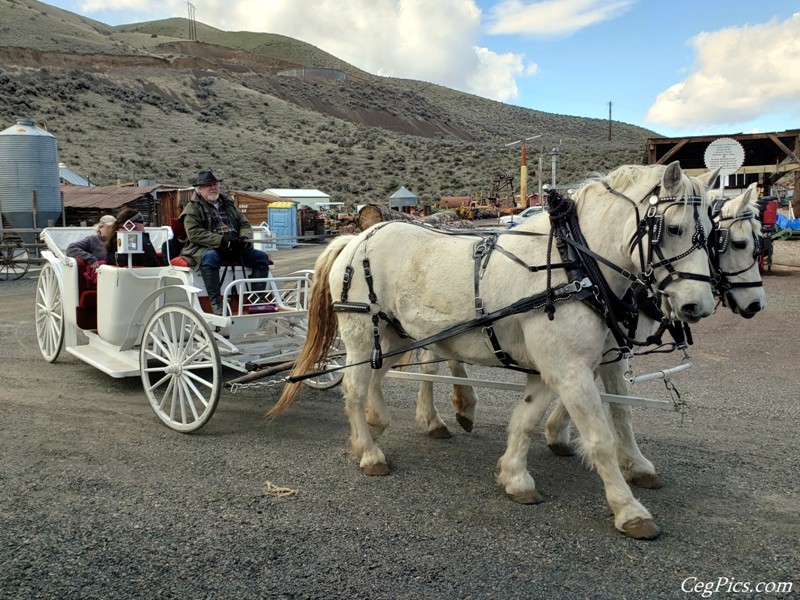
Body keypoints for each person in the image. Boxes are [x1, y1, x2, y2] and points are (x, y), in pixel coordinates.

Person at [180, 170, 269, 315]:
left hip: (233, 247)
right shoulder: (192, 208)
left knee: (261, 257)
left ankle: (258, 299)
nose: (213, 188)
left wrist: (243, 238)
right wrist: (222, 240)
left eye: (215, 184)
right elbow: (195, 233)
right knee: (210, 257)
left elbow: (244, 224)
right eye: (208, 185)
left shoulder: (228, 204)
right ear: (199, 189)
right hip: (203, 248)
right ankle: (216, 302)